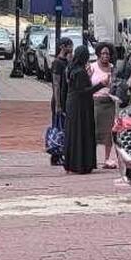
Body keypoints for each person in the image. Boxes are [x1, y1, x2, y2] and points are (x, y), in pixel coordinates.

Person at [64, 45, 105, 174]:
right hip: (81, 107)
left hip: (72, 105)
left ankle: (72, 163)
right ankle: (82, 164)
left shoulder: (72, 69)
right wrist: (101, 85)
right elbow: (84, 91)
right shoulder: (80, 72)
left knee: (74, 133)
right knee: (82, 132)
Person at [90, 42, 119, 169]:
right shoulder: (92, 67)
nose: (105, 56)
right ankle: (92, 158)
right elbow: (87, 85)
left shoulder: (113, 68)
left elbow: (117, 84)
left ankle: (107, 159)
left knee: (109, 132)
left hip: (109, 103)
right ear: (98, 54)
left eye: (107, 53)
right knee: (94, 132)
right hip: (95, 103)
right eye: (103, 53)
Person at [48, 38, 73, 166]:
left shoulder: (67, 62)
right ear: (63, 47)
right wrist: (58, 104)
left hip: (66, 99)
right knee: (58, 128)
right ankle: (55, 154)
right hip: (59, 100)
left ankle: (61, 152)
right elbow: (56, 84)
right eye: (70, 46)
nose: (71, 48)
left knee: (64, 128)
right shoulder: (57, 63)